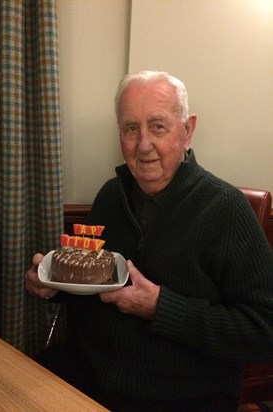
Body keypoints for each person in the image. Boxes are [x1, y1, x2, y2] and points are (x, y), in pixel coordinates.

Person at [25, 70, 273, 412]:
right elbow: (94, 280)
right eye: (131, 129)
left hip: (182, 393)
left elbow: (266, 330)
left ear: (187, 131)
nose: (143, 146)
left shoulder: (226, 210)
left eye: (158, 126)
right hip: (88, 370)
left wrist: (160, 307)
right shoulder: (111, 195)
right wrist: (53, 286)